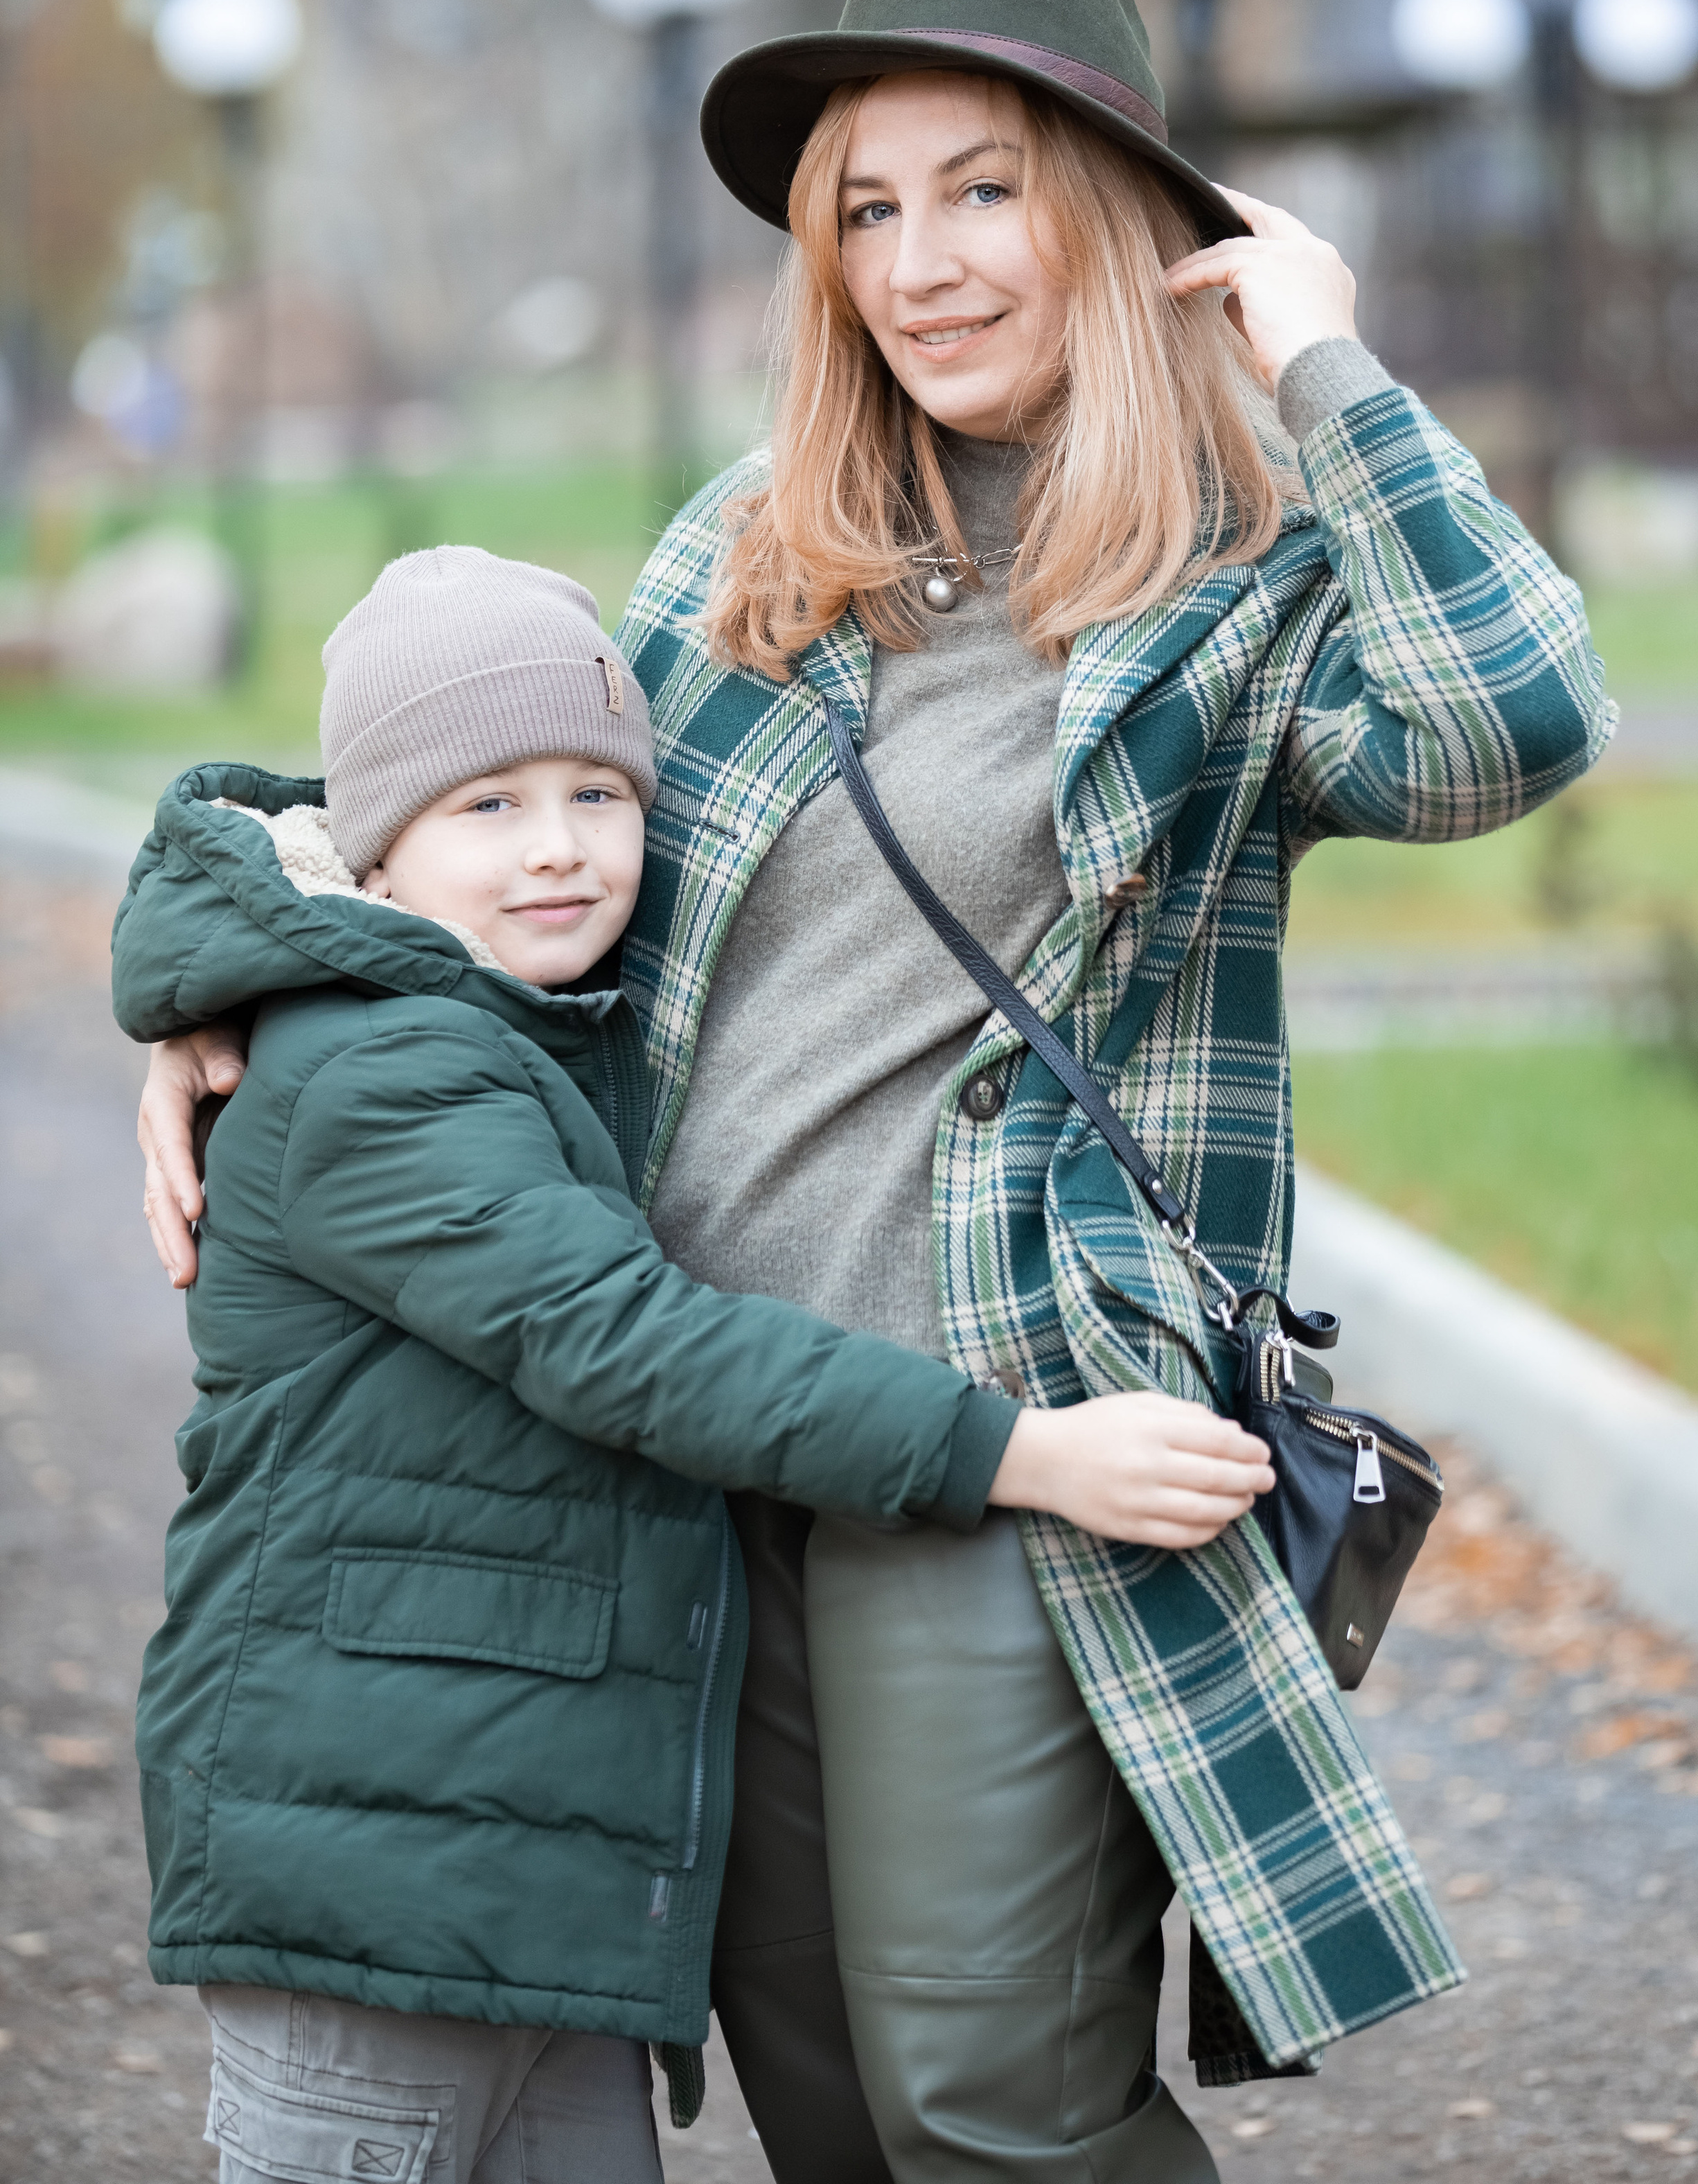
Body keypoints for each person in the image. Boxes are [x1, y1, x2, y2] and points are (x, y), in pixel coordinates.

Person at [139, 0, 1614, 2183]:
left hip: (1007, 1438)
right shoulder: (754, 550)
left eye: (986, 187)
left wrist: (1328, 371)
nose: (921, 263)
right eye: (867, 209)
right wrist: (246, 973)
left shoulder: (1247, 588)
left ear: (1129, 212)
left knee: (983, 2104)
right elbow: (478, 825)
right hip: (694, 1432)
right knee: (818, 2094)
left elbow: (1511, 722)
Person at [116, 543, 1272, 2184]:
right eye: (489, 807)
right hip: (374, 1874)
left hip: (534, 1883)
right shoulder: (388, 1076)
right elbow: (629, 1347)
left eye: (599, 793)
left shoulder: (509, 1033)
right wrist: (1026, 1454)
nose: (562, 852)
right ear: (375, 848)